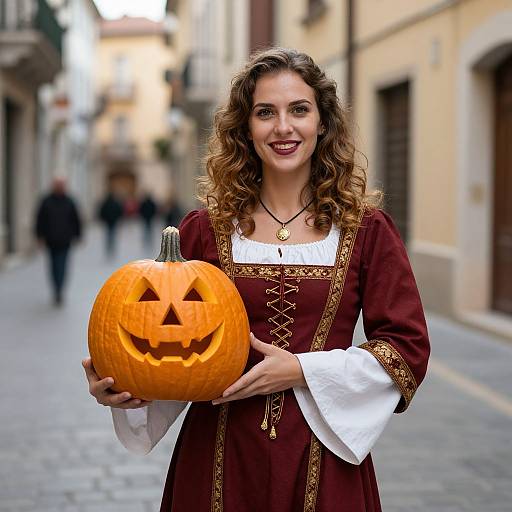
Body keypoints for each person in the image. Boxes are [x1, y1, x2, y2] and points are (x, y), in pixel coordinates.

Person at [83, 48, 430, 511]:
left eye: (299, 110)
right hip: (217, 460)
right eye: (265, 113)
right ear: (246, 128)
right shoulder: (204, 231)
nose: (283, 127)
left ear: (323, 122)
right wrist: (126, 390)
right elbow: (167, 347)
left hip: (325, 461)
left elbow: (406, 349)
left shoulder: (365, 230)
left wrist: (303, 370)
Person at [35, 177, 82, 306]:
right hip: (51, 240)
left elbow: (76, 219)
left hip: (65, 240)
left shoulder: (70, 201)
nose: (60, 187)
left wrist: (78, 235)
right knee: (53, 266)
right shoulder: (46, 201)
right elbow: (40, 219)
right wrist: (39, 236)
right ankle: (56, 288)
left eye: (62, 185)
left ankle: (59, 290)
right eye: (58, 185)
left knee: (62, 265)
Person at [97, 191, 123, 257]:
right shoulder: (115, 203)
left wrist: (103, 219)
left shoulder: (105, 203)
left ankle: (109, 247)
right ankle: (112, 247)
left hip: (108, 222)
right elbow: (119, 211)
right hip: (113, 221)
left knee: (108, 235)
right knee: (112, 235)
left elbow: (101, 211)